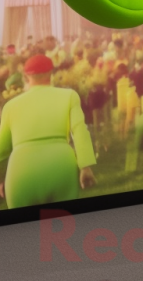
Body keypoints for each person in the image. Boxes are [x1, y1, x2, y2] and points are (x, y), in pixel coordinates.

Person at [0, 54, 97, 208]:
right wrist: (85, 167)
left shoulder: (10, 106)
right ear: (51, 74)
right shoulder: (69, 96)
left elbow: (2, 149)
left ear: (26, 76)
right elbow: (80, 132)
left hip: (21, 170)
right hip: (61, 165)